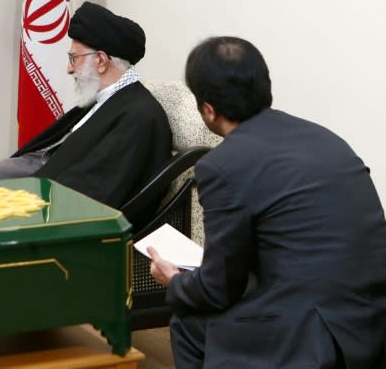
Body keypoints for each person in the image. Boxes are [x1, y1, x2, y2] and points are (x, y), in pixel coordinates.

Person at [148, 36, 386, 368]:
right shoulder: (326, 138)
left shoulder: (222, 165)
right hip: (369, 323)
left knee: (189, 322)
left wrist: (175, 281)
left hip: (308, 338)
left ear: (208, 109)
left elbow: (218, 289)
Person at [0, 1, 172, 214]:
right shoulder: (98, 104)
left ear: (102, 61)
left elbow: (89, 195)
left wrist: (4, 203)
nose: (69, 69)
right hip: (37, 203)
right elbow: (43, 159)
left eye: (73, 58)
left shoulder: (139, 117)